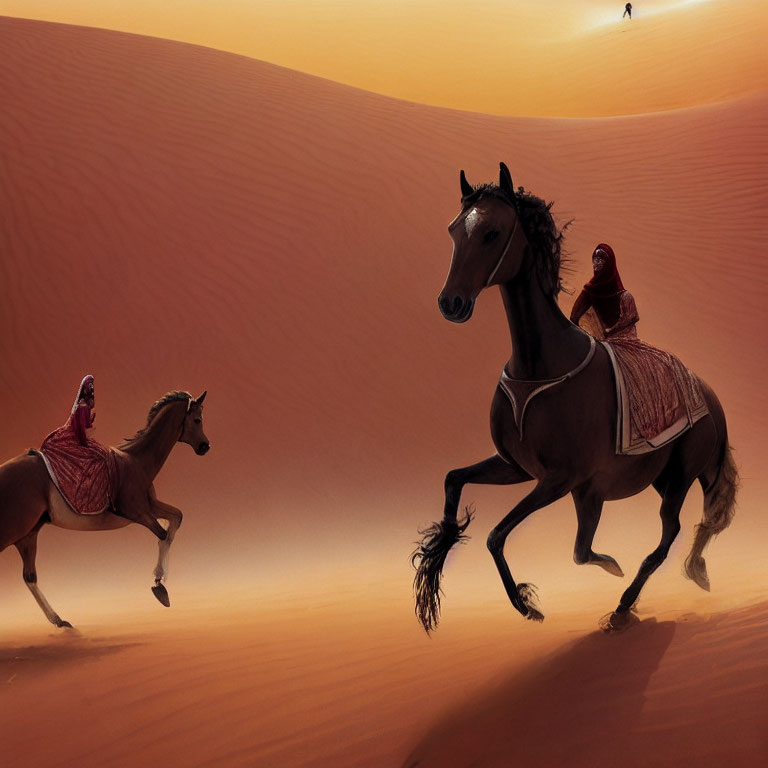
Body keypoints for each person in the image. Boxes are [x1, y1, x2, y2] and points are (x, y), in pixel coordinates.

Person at [570, 244, 707, 452]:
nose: (597, 263)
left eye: (601, 259)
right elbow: (574, 319)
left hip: (626, 345)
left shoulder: (625, 297)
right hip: (599, 346)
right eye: (595, 259)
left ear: (610, 263)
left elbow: (629, 329)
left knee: (654, 369)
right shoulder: (588, 292)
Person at [40, 374, 116, 515]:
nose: (91, 389)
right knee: (98, 459)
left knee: (103, 454)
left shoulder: (85, 406)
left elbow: (84, 425)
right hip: (75, 438)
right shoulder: (82, 406)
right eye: (90, 386)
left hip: (79, 437)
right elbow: (80, 429)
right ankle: (87, 497)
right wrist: (85, 445)